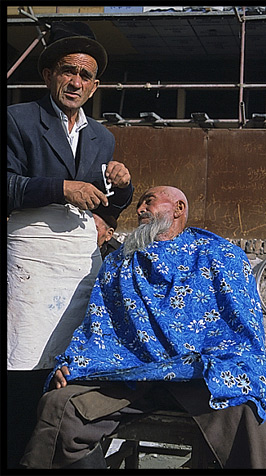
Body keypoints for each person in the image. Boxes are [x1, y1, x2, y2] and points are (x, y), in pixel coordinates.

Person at [21, 186, 266, 469]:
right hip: (128, 377)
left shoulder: (219, 256)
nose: (140, 209)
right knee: (59, 406)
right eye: (140, 203)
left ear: (179, 209)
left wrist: (226, 364)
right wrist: (74, 360)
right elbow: (99, 323)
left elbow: (241, 327)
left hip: (198, 378)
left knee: (243, 411)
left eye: (149, 202)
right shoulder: (119, 262)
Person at [7, 21, 133, 468]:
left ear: (95, 84)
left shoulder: (102, 136)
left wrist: (121, 186)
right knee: (23, 361)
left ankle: (63, 449)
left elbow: (107, 206)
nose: (75, 82)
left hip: (78, 263)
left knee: (71, 359)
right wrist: (62, 188)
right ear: (48, 75)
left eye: (85, 75)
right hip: (31, 260)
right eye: (67, 71)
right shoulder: (17, 120)